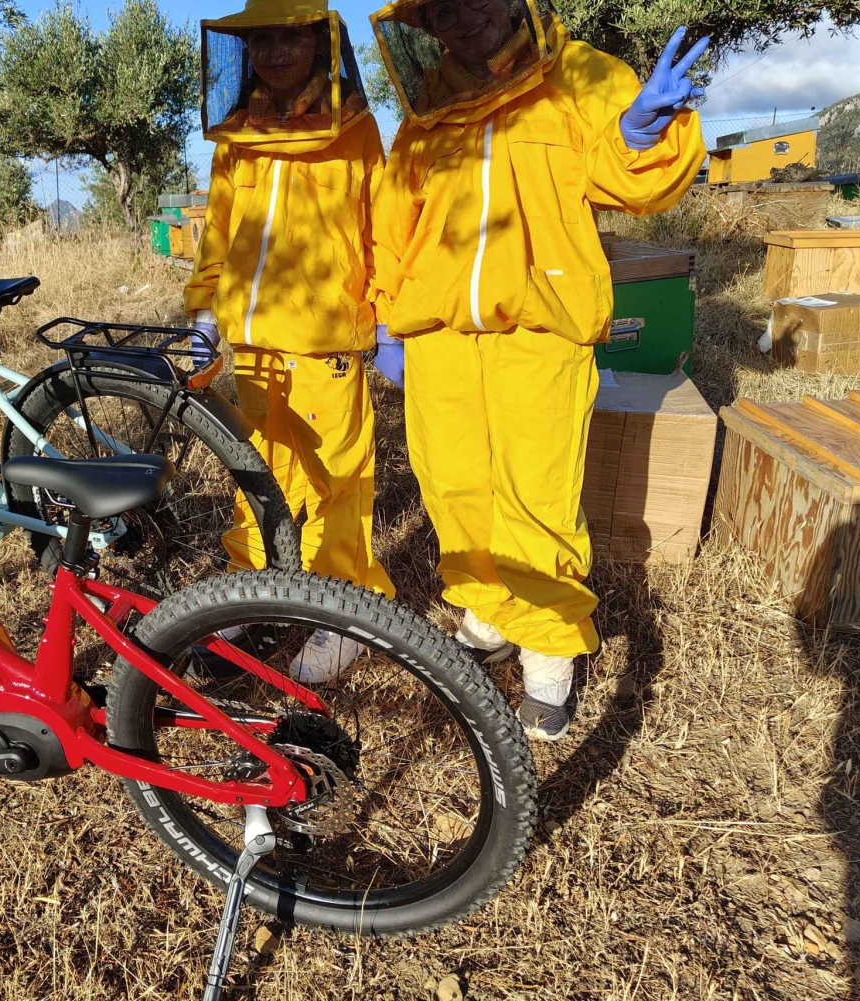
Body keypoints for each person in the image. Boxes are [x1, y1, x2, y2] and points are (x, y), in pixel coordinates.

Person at [368, 0, 708, 738]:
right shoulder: (427, 111)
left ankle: (548, 652)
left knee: (537, 491)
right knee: (455, 484)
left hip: (540, 325)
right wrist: (385, 319)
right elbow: (393, 222)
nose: (466, 17)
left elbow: (628, 179)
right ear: (425, 28)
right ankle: (489, 608)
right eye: (444, 10)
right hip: (439, 335)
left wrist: (637, 131)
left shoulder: (576, 76)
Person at [187, 0, 393, 682]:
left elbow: (381, 229)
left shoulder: (357, 129)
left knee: (339, 483)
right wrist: (203, 312)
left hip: (325, 341)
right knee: (254, 471)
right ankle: (249, 590)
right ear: (244, 49)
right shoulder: (236, 136)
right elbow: (218, 232)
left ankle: (344, 613)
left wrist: (389, 319)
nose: (275, 52)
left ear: (318, 42)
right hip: (252, 344)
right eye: (262, 39)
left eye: (289, 38)